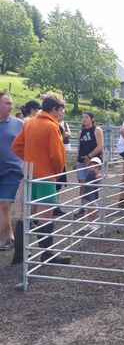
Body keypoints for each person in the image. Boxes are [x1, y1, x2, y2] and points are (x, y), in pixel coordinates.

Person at [12, 93, 70, 264]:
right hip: (46, 176)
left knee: (26, 215)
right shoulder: (52, 127)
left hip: (30, 175)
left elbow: (16, 147)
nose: (62, 114)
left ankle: (19, 254)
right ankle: (47, 253)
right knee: (45, 215)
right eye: (61, 111)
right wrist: (57, 172)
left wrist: (31, 159)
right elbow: (57, 157)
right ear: (53, 110)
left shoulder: (29, 123)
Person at [0, 92, 23, 252]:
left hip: (13, 170)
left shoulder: (19, 124)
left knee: (4, 205)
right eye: (7, 103)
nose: (11, 106)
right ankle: (10, 237)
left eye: (11, 103)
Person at [74, 111, 104, 217]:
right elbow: (79, 147)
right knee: (82, 185)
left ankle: (94, 208)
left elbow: (100, 146)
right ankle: (84, 208)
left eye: (86, 117)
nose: (84, 119)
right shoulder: (80, 132)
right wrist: (76, 160)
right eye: (83, 117)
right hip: (81, 161)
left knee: (91, 184)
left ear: (92, 119)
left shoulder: (97, 130)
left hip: (93, 161)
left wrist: (89, 156)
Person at [81, 157, 102, 231]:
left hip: (91, 195)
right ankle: (89, 224)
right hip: (89, 195)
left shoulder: (92, 173)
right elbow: (98, 178)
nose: (93, 168)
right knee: (96, 209)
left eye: (96, 167)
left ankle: (89, 224)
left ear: (99, 168)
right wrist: (101, 175)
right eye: (92, 165)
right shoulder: (91, 173)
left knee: (89, 210)